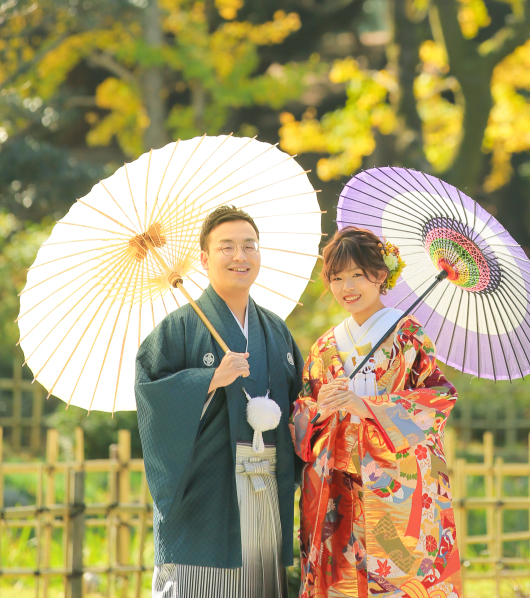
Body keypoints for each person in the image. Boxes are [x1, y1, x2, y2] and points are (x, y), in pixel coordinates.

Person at [135, 204, 304, 598]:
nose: (240, 256)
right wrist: (209, 379)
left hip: (264, 485)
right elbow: (150, 397)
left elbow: (300, 403)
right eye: (226, 247)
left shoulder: (275, 330)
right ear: (204, 258)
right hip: (205, 495)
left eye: (250, 246)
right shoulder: (179, 328)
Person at [292, 226, 462, 598]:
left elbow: (438, 397)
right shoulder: (325, 346)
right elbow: (302, 411)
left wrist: (368, 407)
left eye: (356, 275)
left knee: (399, 581)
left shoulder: (407, 334)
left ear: (381, 275)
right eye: (336, 278)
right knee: (341, 583)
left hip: (395, 485)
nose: (346, 287)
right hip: (338, 485)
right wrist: (320, 410)